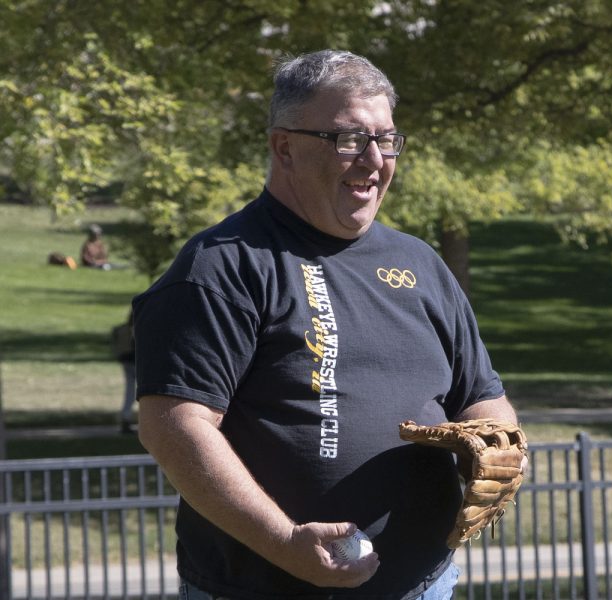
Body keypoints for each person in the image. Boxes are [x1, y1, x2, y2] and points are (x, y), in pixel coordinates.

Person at [133, 49, 520, 600]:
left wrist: (497, 442)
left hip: (423, 585)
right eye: (348, 139)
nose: (373, 159)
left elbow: (480, 394)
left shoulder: (420, 263)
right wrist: (284, 540)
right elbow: (173, 425)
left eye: (386, 140)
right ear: (283, 147)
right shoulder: (222, 266)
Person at [111, 310, 137, 433]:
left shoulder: (120, 330)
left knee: (130, 392)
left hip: (125, 361)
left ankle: (125, 419)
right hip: (135, 362)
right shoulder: (136, 330)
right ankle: (126, 420)